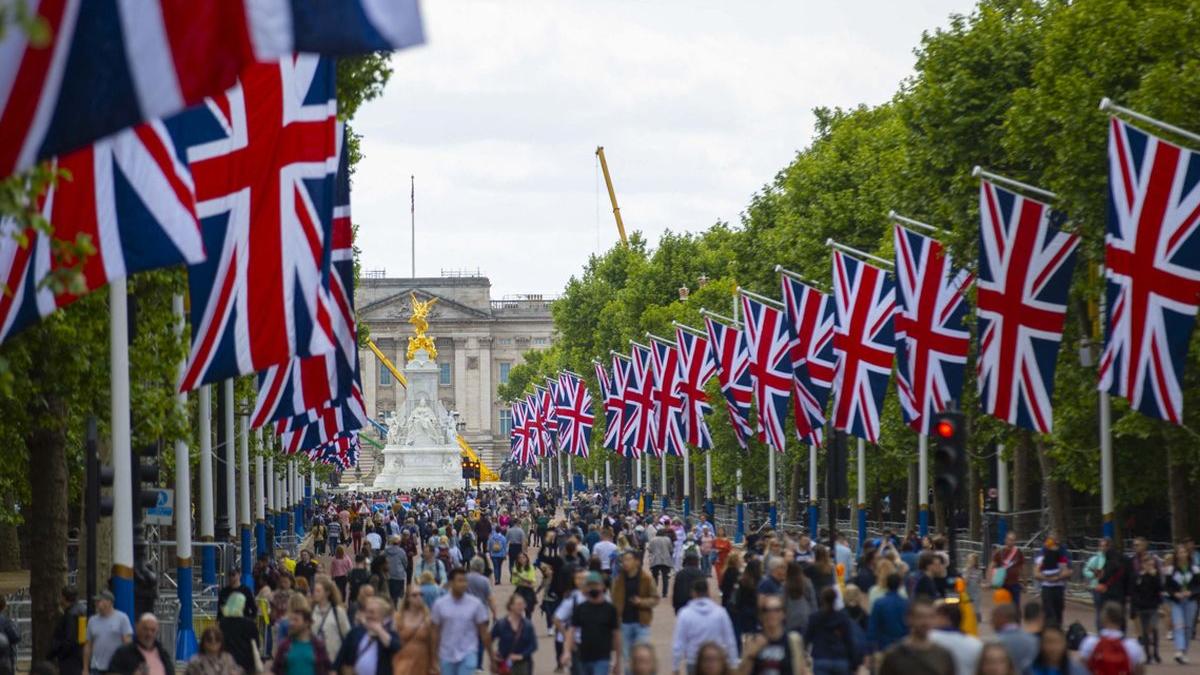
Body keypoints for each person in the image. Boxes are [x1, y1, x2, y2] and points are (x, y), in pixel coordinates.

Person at [431, 568, 495, 675]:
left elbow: (484, 633)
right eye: (460, 581)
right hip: (446, 654)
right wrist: (433, 659)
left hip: (468, 653)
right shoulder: (440, 605)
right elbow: (434, 633)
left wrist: (492, 657)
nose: (463, 584)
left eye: (465, 581)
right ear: (451, 583)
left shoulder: (475, 604)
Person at [673, 579, 738, 673]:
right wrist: (733, 663)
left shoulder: (685, 614)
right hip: (715, 660)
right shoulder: (720, 613)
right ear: (708, 592)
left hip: (693, 659)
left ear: (693, 593)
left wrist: (675, 666)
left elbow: (679, 643)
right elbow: (730, 640)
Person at [562, 572, 621, 675]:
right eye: (590, 585)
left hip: (603, 657)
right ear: (586, 588)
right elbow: (571, 630)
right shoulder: (581, 608)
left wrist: (618, 661)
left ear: (602, 586)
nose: (593, 588)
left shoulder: (610, 609)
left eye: (596, 585)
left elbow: (616, 635)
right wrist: (566, 651)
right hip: (583, 656)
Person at [877, 600, 954, 675]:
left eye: (931, 617)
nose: (926, 622)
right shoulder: (893, 656)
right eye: (920, 617)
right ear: (908, 619)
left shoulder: (943, 655)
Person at [736, 593, 807, 675]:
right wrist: (750, 656)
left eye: (776, 610)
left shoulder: (793, 641)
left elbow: (803, 670)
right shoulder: (752, 641)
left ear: (783, 614)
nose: (772, 614)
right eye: (766, 610)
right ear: (761, 615)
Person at [611, 549, 657, 665]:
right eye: (623, 560)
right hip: (624, 623)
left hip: (642, 623)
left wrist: (641, 602)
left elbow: (655, 598)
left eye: (628, 560)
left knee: (642, 657)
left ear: (637, 562)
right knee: (627, 659)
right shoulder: (618, 581)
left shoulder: (646, 579)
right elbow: (613, 600)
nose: (625, 563)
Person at [333, 597, 401, 675]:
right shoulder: (355, 632)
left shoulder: (390, 634)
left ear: (382, 615)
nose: (368, 615)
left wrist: (379, 631)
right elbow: (340, 658)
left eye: (372, 612)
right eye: (367, 612)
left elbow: (396, 647)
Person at [803, 587, 860, 675]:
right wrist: (854, 664)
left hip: (821, 659)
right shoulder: (842, 618)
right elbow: (849, 641)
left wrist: (803, 657)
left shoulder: (814, 618)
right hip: (840, 659)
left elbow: (806, 639)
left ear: (821, 599)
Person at [1079, 601, 1146, 674]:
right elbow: (1139, 672)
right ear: (1121, 620)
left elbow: (1081, 670)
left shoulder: (1090, 642)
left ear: (1103, 618)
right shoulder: (1133, 646)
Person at [272, 602, 331, 675]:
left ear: (307, 623)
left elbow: (328, 670)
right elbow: (275, 670)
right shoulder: (284, 646)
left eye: (296, 620)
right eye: (290, 620)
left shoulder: (318, 646)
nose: (291, 623)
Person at [1128, 538, 1162, 664]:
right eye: (1145, 563)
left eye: (1150, 563)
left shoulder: (1155, 575)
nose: (1148, 565)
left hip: (1153, 606)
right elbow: (1134, 589)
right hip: (1142, 606)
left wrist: (1153, 575)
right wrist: (1135, 603)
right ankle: (1148, 655)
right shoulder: (1138, 576)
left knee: (1153, 628)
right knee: (1145, 631)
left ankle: (1156, 652)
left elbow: (1160, 587)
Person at [1165, 543, 1200, 664]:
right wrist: (1175, 594)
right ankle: (1179, 650)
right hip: (1177, 602)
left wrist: (1191, 592)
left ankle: (1184, 651)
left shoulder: (1195, 569)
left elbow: (1198, 585)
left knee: (1188, 627)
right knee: (1179, 625)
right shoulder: (1171, 570)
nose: (1182, 555)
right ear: (1176, 555)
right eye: (1179, 552)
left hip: (1190, 601)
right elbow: (1167, 587)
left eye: (1184, 552)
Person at [83, 590, 133, 675]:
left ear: (109, 602)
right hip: (96, 668)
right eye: (96, 601)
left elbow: (128, 644)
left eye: (99, 601)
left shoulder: (122, 618)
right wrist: (85, 669)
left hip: (115, 668)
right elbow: (88, 645)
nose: (96, 603)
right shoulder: (92, 620)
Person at [108, 613, 174, 675]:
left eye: (153, 630)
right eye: (145, 629)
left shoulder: (163, 654)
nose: (149, 634)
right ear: (137, 628)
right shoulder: (124, 653)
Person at [393, 584, 436, 675]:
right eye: (414, 595)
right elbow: (392, 641)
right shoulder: (398, 618)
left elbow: (433, 645)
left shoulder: (428, 619)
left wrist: (434, 665)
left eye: (421, 595)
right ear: (408, 598)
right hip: (402, 662)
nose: (419, 597)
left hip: (422, 663)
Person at [927, 602, 980, 675]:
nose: (930, 621)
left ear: (944, 618)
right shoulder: (975, 644)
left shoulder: (928, 638)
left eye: (934, 617)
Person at [490, 594, 537, 675]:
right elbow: (489, 639)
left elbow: (533, 645)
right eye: (518, 604)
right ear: (511, 606)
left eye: (523, 604)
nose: (521, 607)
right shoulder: (501, 624)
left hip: (523, 664)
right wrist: (492, 653)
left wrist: (521, 656)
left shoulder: (527, 625)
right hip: (504, 663)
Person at [311, 575, 351, 666]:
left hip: (334, 661)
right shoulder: (310, 612)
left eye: (318, 591)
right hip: (314, 662)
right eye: (314, 591)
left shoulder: (338, 612)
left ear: (327, 593)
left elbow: (347, 636)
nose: (315, 593)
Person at [217, 593, 261, 675]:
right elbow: (256, 644)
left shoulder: (223, 623)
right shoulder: (249, 624)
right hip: (246, 663)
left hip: (227, 662)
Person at [1035, 536, 1071, 629]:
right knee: (1049, 613)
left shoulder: (1061, 557)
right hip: (1047, 588)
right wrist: (1047, 578)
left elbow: (1067, 571)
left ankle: (1058, 632)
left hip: (1058, 588)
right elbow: (1036, 573)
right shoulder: (1041, 558)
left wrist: (1058, 577)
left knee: (1058, 613)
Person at [867, 573, 908, 653]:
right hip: (903, 644)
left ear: (886, 584)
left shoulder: (879, 603)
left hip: (884, 644)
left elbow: (873, 627)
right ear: (900, 585)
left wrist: (870, 649)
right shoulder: (906, 604)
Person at [48, 586, 85, 675]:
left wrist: (60, 654)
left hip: (70, 658)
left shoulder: (70, 615)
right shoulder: (82, 609)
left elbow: (69, 638)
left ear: (64, 598)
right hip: (80, 653)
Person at [990, 603, 1037, 673]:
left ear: (1002, 617)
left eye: (994, 617)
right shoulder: (1033, 640)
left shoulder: (995, 642)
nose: (991, 622)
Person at [987, 532, 1025, 610]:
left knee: (1015, 607)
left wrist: (1024, 582)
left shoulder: (1018, 552)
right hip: (1002, 585)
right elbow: (991, 566)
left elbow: (1022, 568)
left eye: (1013, 540)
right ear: (1006, 540)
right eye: (1010, 540)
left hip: (1014, 584)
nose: (1011, 542)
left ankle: (1015, 621)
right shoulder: (1000, 552)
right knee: (1003, 607)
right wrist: (990, 581)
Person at [1083, 538, 1111, 631]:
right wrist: (1093, 575)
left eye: (1105, 546)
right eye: (1101, 546)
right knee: (1100, 611)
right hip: (1097, 588)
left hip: (1110, 588)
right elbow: (1086, 570)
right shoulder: (1095, 559)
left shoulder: (1112, 558)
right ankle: (1100, 632)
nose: (1103, 548)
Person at [783, 561, 816, 636]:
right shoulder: (807, 582)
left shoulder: (785, 585)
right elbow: (813, 601)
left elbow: (783, 602)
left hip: (790, 617)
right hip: (805, 615)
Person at [648, 527, 674, 597]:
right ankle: (664, 593)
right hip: (665, 560)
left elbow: (649, 549)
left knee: (655, 577)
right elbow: (671, 550)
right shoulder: (667, 539)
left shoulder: (653, 539)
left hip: (655, 560)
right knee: (665, 577)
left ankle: (654, 591)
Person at [384, 535, 408, 602]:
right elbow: (405, 563)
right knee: (396, 596)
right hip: (398, 575)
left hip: (388, 574)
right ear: (399, 542)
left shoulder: (386, 551)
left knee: (389, 594)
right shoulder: (401, 551)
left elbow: (382, 559)